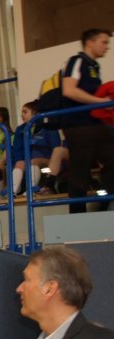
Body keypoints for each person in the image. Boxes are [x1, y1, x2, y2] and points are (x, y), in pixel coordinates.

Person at [58, 28, 114, 213]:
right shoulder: (77, 61)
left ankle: (107, 202)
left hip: (95, 124)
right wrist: (100, 102)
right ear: (90, 43)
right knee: (79, 170)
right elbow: (69, 90)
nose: (107, 47)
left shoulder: (94, 66)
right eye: (104, 42)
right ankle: (77, 214)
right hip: (78, 125)